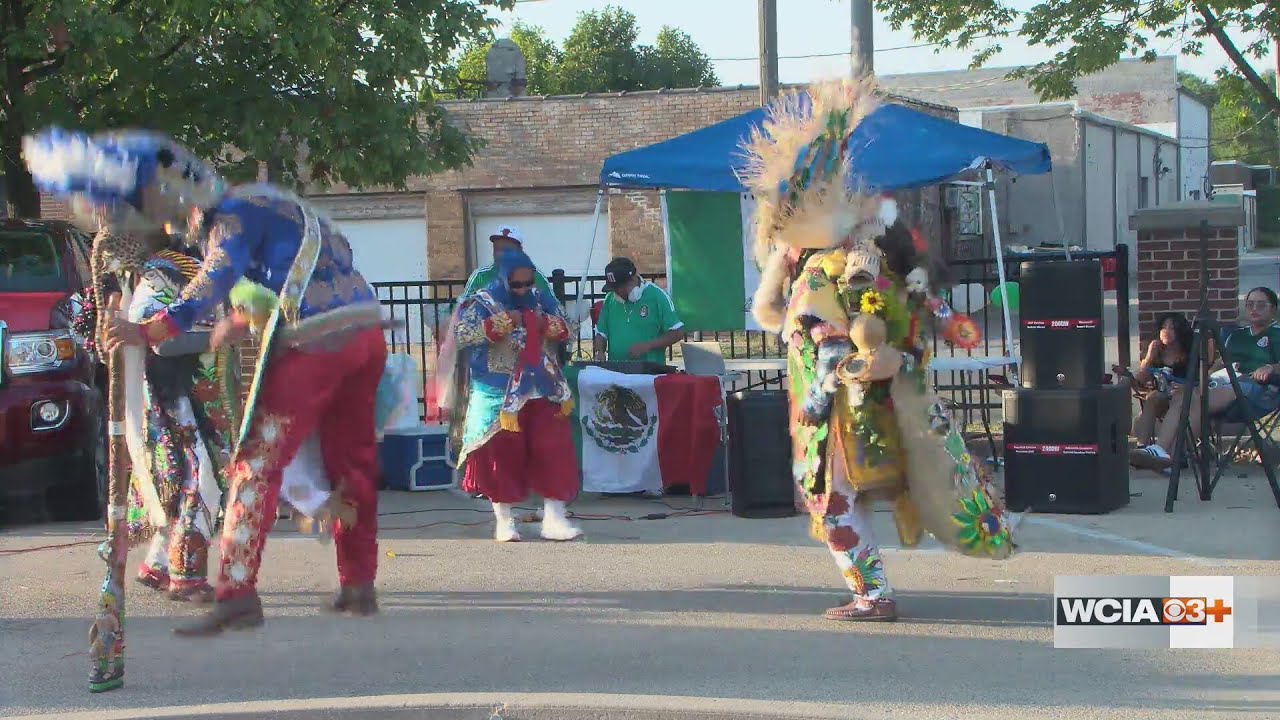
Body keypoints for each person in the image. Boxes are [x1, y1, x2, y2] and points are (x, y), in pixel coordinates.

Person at [25, 128, 388, 636]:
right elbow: (307, 265)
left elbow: (210, 281)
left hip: (317, 344)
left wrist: (144, 329)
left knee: (255, 466)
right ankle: (358, 583)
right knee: (352, 460)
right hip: (366, 331)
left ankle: (237, 595)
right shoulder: (269, 200)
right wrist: (243, 319)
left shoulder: (227, 217)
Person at [741, 75, 1014, 622]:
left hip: (844, 412)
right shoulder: (830, 266)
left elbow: (833, 331)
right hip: (841, 406)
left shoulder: (850, 269)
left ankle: (873, 594)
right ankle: (873, 590)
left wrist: (866, 362)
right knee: (842, 500)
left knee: (833, 501)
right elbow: (775, 315)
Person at [117, 233, 238, 603]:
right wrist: (216, 336)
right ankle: (185, 575)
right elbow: (160, 340)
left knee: (186, 480)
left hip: (196, 399)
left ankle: (159, 564)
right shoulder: (163, 274)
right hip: (173, 402)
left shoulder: (197, 273)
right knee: (199, 480)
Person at [443, 248, 583, 543]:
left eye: (527, 283)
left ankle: (554, 518)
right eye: (516, 284)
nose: (522, 290)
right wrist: (500, 323)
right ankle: (504, 521)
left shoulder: (542, 298)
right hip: (498, 390)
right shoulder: (483, 301)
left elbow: (569, 327)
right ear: (504, 279)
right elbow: (462, 335)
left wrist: (545, 324)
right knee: (501, 455)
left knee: (553, 450)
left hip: (542, 386)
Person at [1132, 287, 1280, 469]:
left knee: (1199, 398)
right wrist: (1206, 377)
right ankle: (1166, 454)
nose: (1254, 309)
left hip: (1259, 388)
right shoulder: (1235, 335)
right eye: (1250, 304)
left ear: (1273, 309)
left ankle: (1166, 454)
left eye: (1261, 305)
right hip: (1224, 382)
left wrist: (1270, 367)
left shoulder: (1277, 334)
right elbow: (1220, 363)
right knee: (1184, 396)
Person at [1118, 312, 1192, 446]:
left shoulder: (1188, 353)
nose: (1166, 331)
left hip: (1184, 396)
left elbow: (1199, 378)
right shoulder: (1157, 351)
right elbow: (1140, 380)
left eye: (1171, 328)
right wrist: (1149, 356)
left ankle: (1162, 449)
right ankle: (1143, 447)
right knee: (1152, 397)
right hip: (1161, 397)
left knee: (1155, 403)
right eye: (1164, 327)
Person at [593, 257, 684, 363]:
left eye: (619, 288)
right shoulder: (610, 299)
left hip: (650, 374)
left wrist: (648, 346)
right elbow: (601, 333)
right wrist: (600, 352)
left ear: (632, 280)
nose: (616, 292)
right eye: (613, 289)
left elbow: (677, 332)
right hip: (617, 373)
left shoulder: (657, 296)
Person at [462, 226, 553, 297]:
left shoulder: (536, 276)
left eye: (507, 250)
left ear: (520, 250)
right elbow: (463, 309)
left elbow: (554, 311)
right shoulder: (480, 275)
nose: (500, 254)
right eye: (497, 249)